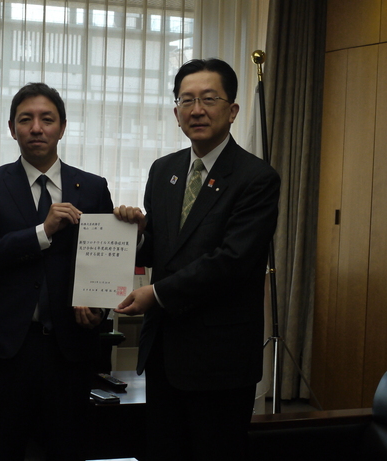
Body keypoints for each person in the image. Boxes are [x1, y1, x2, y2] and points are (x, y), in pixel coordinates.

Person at [114, 58, 280, 460]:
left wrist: (156, 294)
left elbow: (232, 261)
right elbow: (160, 249)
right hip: (165, 354)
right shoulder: (164, 170)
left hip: (219, 360)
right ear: (176, 112)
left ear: (233, 110)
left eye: (209, 98)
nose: (197, 109)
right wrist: (134, 235)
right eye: (186, 100)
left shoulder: (256, 178)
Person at [0, 82, 113, 461]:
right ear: (11, 128)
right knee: (5, 449)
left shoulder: (93, 188)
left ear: (62, 127)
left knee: (68, 448)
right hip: (10, 348)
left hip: (71, 348)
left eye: (47, 119)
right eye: (25, 119)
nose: (36, 128)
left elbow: (104, 263)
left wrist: (98, 309)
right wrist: (42, 232)